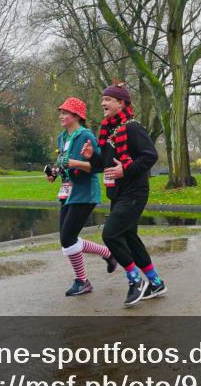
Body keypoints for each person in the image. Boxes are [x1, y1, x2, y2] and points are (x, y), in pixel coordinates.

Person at [98, 83, 164, 307]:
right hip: (118, 193)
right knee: (129, 237)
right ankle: (156, 282)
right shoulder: (108, 130)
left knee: (110, 234)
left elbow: (150, 156)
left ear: (121, 103)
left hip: (135, 192)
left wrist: (125, 169)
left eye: (108, 99)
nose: (103, 103)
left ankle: (135, 280)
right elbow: (104, 164)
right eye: (103, 99)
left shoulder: (133, 128)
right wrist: (91, 156)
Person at [46, 97, 115, 296]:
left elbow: (99, 166)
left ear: (76, 116)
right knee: (66, 238)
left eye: (65, 113)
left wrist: (76, 164)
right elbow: (63, 163)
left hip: (85, 193)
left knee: (67, 237)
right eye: (61, 112)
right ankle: (105, 257)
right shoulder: (62, 138)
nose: (61, 116)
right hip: (68, 192)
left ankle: (83, 280)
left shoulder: (86, 136)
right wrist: (54, 173)